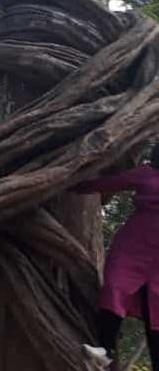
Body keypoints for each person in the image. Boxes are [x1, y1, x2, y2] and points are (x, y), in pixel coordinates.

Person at [73, 149, 159, 371]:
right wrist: (67, 182)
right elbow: (109, 182)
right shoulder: (146, 173)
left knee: (157, 309)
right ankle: (104, 351)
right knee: (114, 288)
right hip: (134, 245)